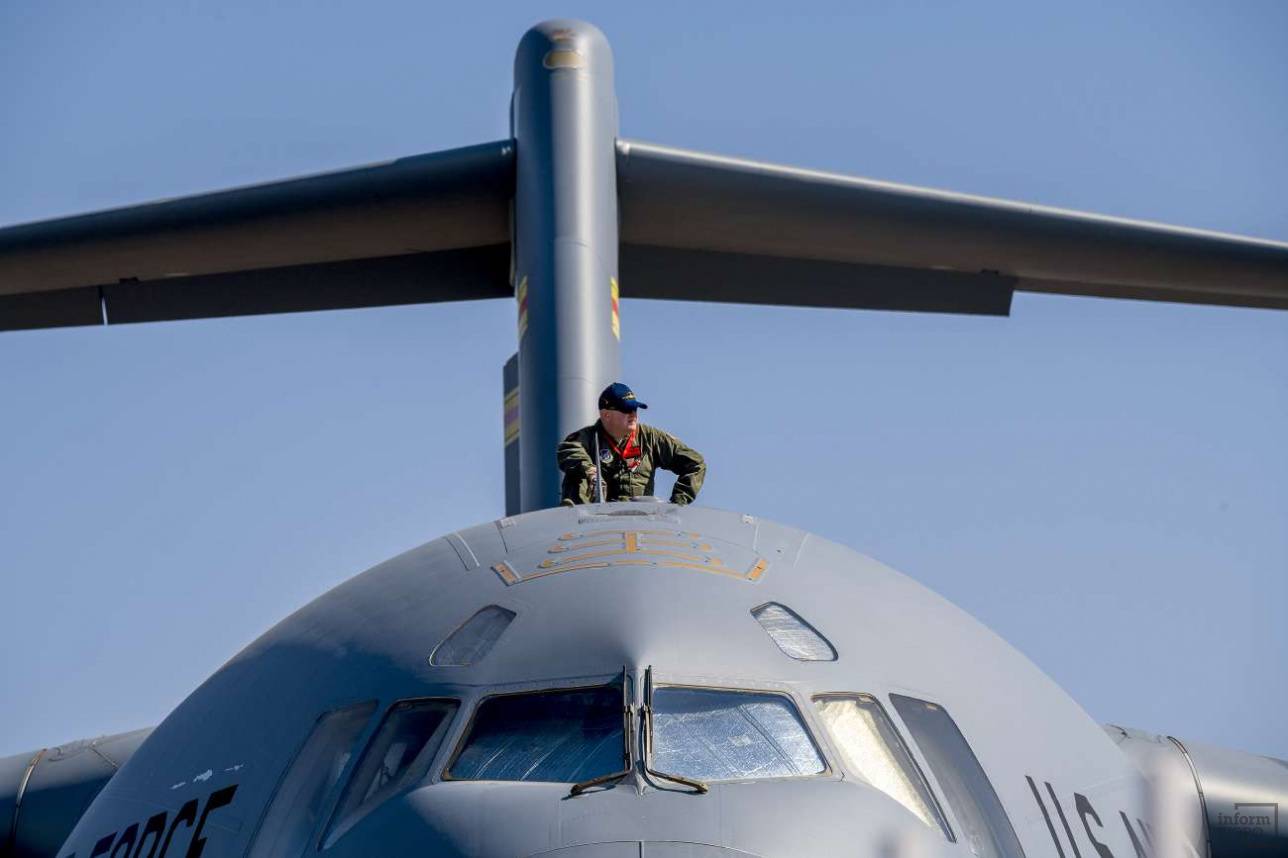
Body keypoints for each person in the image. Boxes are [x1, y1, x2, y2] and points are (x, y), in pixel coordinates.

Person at [557, 383, 706, 506]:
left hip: (638, 521)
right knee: (576, 470)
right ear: (606, 415)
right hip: (591, 522)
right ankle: (573, 511)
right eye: (626, 409)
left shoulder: (650, 438)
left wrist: (677, 504)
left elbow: (695, 463)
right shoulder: (588, 437)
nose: (633, 414)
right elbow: (569, 449)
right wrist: (589, 470)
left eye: (634, 409)